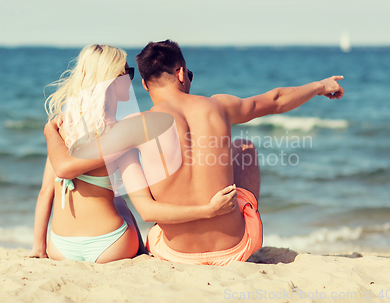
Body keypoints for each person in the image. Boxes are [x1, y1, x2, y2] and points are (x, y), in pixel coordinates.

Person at [45, 40, 345, 266]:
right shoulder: (219, 106)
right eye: (188, 73)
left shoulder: (135, 126)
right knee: (244, 148)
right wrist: (320, 86)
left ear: (147, 85)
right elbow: (276, 99)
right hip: (237, 249)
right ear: (179, 74)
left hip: (173, 254)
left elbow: (65, 166)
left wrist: (51, 131)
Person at [28, 44, 237, 263]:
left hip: (60, 248)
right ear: (111, 80)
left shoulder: (61, 128)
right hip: (108, 246)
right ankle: (143, 252)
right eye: (128, 73)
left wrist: (39, 247)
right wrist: (208, 210)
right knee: (120, 202)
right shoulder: (120, 133)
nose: (132, 79)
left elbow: (45, 192)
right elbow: (146, 209)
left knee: (118, 200)